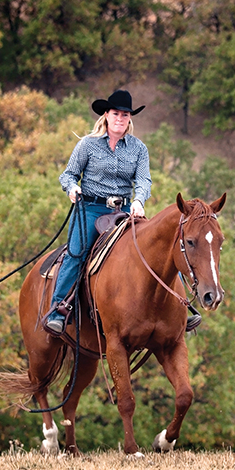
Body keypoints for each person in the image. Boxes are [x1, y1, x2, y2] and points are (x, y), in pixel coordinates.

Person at [44, 90, 151, 335]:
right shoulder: (88, 145)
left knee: (157, 244)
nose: (120, 119)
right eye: (116, 113)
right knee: (77, 252)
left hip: (124, 210)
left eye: (125, 115)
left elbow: (144, 180)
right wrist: (72, 188)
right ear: (106, 115)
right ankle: (59, 310)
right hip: (90, 209)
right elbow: (68, 174)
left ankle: (177, 308)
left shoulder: (138, 149)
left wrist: (139, 201)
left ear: (130, 119)